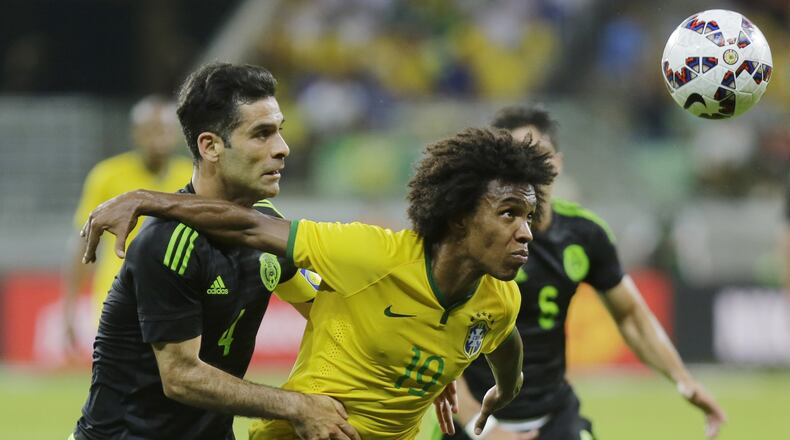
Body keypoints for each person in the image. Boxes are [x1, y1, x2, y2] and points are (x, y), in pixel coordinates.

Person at [79, 126, 558, 439]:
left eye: (529, 216)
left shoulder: (502, 297)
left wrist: (497, 387)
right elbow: (246, 226)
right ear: (457, 219)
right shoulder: (369, 253)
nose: (526, 231)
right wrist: (146, 199)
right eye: (509, 213)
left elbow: (504, 341)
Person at [70, 63, 361, 440]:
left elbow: (324, 310)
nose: (282, 148)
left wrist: (416, 360)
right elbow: (182, 377)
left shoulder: (266, 225)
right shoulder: (169, 242)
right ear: (210, 146)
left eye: (280, 131)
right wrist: (296, 405)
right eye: (262, 134)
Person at [445, 106, 727, 440]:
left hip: (555, 419)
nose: (528, 168)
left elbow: (631, 316)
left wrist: (684, 380)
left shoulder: (584, 235)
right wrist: (485, 429)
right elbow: (437, 339)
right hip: (475, 420)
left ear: (559, 164)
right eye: (516, 158)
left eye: (539, 155)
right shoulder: (470, 239)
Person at [63, 95, 193, 353]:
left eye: (164, 130)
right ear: (136, 134)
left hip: (176, 294)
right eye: (150, 131)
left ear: (176, 134)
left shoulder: (191, 175)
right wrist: (70, 308)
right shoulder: (107, 176)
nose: (158, 139)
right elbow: (83, 242)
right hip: (118, 292)